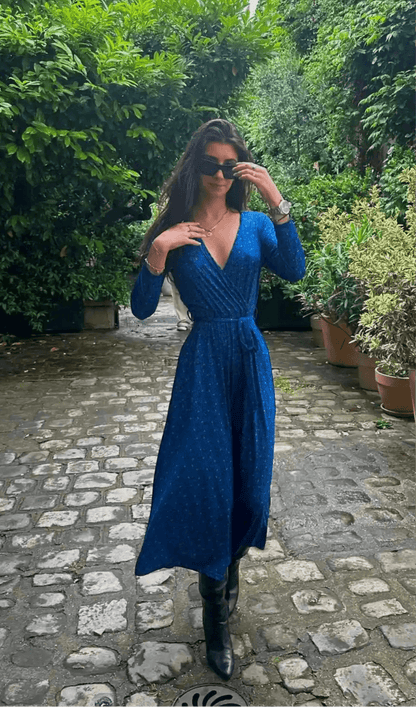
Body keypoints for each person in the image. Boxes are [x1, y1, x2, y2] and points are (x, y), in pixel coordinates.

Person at [131, 119, 305, 680]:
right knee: (208, 483)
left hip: (249, 361)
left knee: (249, 482)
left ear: (241, 169)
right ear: (195, 165)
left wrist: (277, 199)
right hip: (203, 366)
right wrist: (158, 250)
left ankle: (229, 571)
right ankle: (215, 616)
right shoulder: (176, 231)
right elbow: (139, 309)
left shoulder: (255, 223)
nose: (219, 174)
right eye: (209, 164)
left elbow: (295, 270)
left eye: (229, 165)